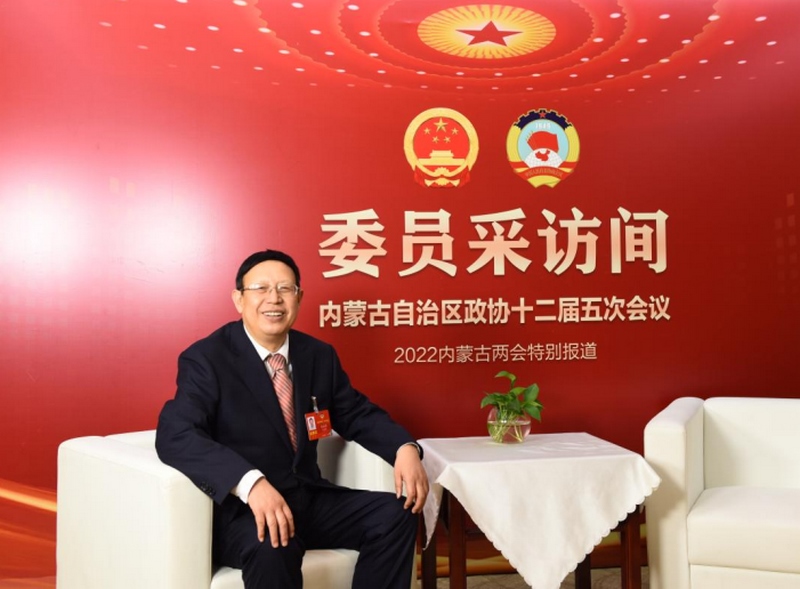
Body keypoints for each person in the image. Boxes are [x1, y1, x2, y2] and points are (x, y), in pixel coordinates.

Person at [156, 249, 428, 589]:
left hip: (307, 499)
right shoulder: (207, 358)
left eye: (285, 288)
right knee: (274, 543)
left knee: (395, 514)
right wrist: (251, 484)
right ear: (239, 299)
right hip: (245, 511)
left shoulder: (317, 355)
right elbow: (176, 434)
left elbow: (356, 413)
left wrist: (404, 448)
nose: (274, 298)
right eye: (261, 288)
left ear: (299, 298)